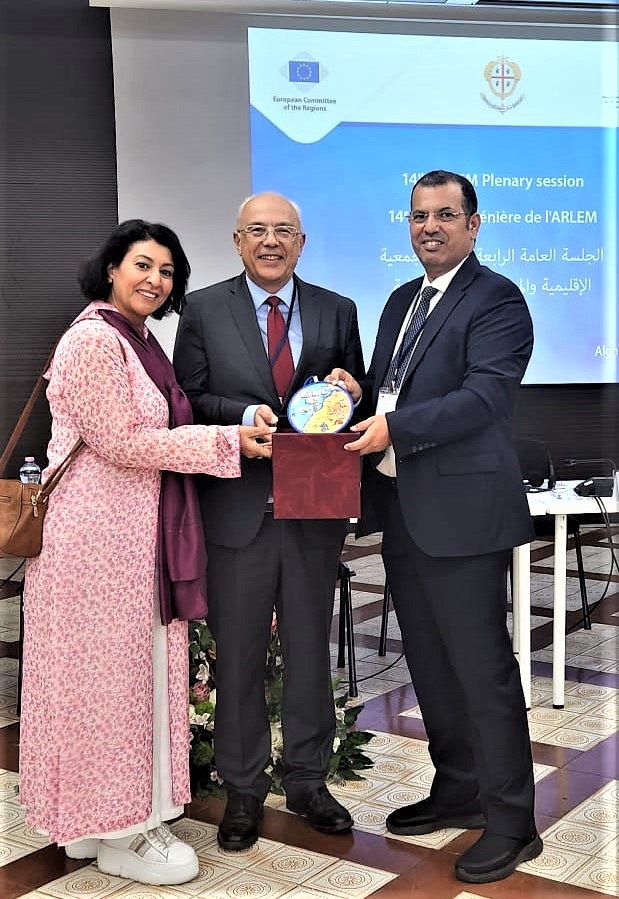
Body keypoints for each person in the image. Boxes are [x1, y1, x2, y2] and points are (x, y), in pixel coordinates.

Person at [19, 220, 271, 887]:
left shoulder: (132, 337)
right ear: (112, 268)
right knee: (107, 687)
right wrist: (226, 442)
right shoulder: (94, 340)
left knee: (114, 682)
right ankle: (122, 829)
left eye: (166, 271)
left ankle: (95, 822)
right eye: (142, 264)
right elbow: (121, 441)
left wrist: (230, 430)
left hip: (127, 541)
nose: (155, 280)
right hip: (94, 546)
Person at [328, 171, 542, 884]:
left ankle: (512, 822)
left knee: (482, 671)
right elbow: (392, 387)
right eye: (419, 215)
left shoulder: (497, 298)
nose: (429, 227)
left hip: (464, 516)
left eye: (445, 215)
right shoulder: (400, 300)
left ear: (473, 225)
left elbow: (482, 398)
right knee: (429, 662)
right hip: (404, 511)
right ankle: (459, 788)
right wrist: (356, 389)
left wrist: (393, 426)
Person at [173, 191, 365, 851]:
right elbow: (187, 399)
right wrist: (238, 415)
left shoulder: (338, 309)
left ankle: (309, 782)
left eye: (284, 230)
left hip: (312, 506)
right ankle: (243, 790)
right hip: (237, 510)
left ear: (301, 242)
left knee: (310, 652)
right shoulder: (203, 309)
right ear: (237, 241)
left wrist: (353, 387)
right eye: (257, 230)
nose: (271, 241)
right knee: (240, 658)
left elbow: (353, 393)